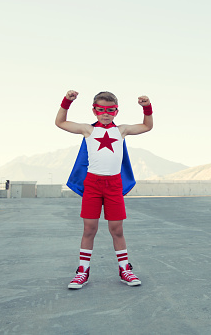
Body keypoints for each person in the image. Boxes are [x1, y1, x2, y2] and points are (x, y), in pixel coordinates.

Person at [55, 90, 153, 289]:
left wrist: (146, 107)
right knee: (89, 228)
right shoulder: (88, 130)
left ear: (116, 111)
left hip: (114, 185)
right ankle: (83, 270)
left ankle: (124, 268)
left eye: (110, 110)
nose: (105, 113)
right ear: (94, 110)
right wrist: (67, 102)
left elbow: (147, 126)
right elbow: (60, 123)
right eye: (101, 109)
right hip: (92, 184)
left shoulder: (121, 131)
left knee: (117, 229)